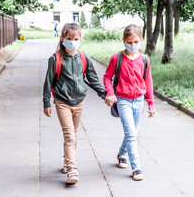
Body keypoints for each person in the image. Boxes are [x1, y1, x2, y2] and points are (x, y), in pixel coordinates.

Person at [43, 23, 105, 184]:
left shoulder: (84, 58)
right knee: (69, 135)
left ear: (80, 39)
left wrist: (104, 94)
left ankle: (66, 161)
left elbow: (93, 79)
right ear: (62, 38)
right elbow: (48, 82)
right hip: (62, 101)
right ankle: (72, 170)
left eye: (75, 39)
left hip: (79, 102)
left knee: (73, 135)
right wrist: (46, 102)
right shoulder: (55, 58)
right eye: (69, 39)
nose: (72, 41)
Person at [103, 24, 155, 181]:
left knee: (132, 132)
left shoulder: (144, 59)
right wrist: (110, 93)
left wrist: (151, 103)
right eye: (130, 42)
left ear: (141, 41)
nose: (133, 45)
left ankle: (122, 153)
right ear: (123, 40)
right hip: (123, 100)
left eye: (136, 42)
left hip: (139, 101)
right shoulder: (116, 58)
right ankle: (136, 168)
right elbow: (107, 77)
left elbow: (148, 82)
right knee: (131, 134)